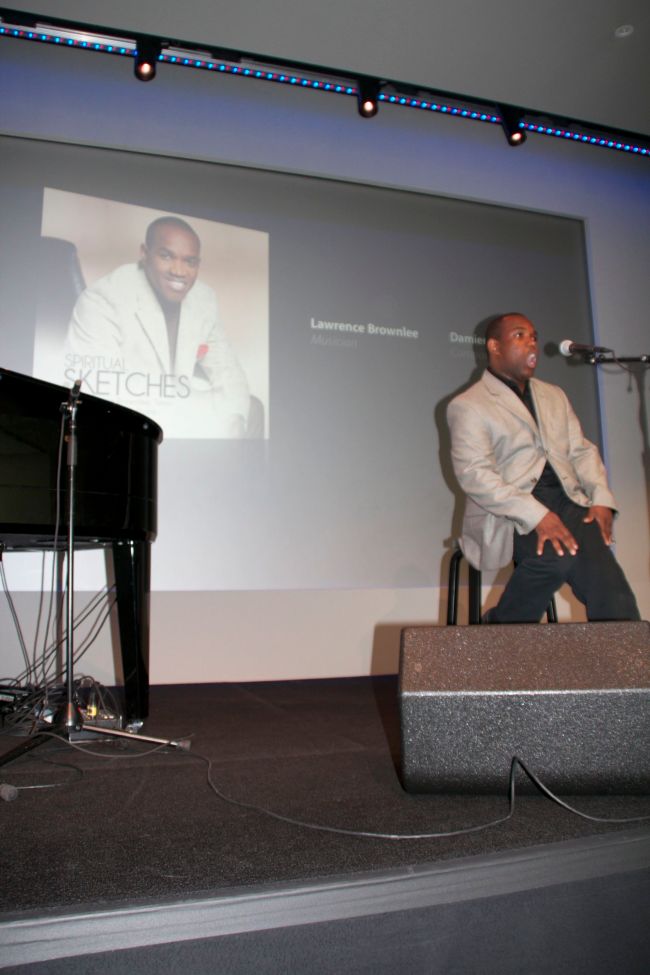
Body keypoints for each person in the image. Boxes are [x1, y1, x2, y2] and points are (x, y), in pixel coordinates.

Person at [446, 312, 640, 622]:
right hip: (512, 510)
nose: (532, 343)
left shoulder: (554, 395)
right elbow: (475, 475)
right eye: (520, 336)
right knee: (555, 558)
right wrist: (536, 515)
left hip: (567, 499)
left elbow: (581, 451)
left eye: (534, 336)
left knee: (608, 582)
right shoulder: (469, 405)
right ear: (495, 346)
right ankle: (499, 629)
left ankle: (624, 652)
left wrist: (602, 498)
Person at [64, 216, 251, 438]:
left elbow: (228, 373)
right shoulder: (103, 300)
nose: (179, 271)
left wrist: (234, 424)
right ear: (144, 253)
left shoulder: (204, 299)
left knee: (244, 411)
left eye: (190, 261)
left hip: (178, 413)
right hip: (129, 423)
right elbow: (98, 396)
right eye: (166, 256)